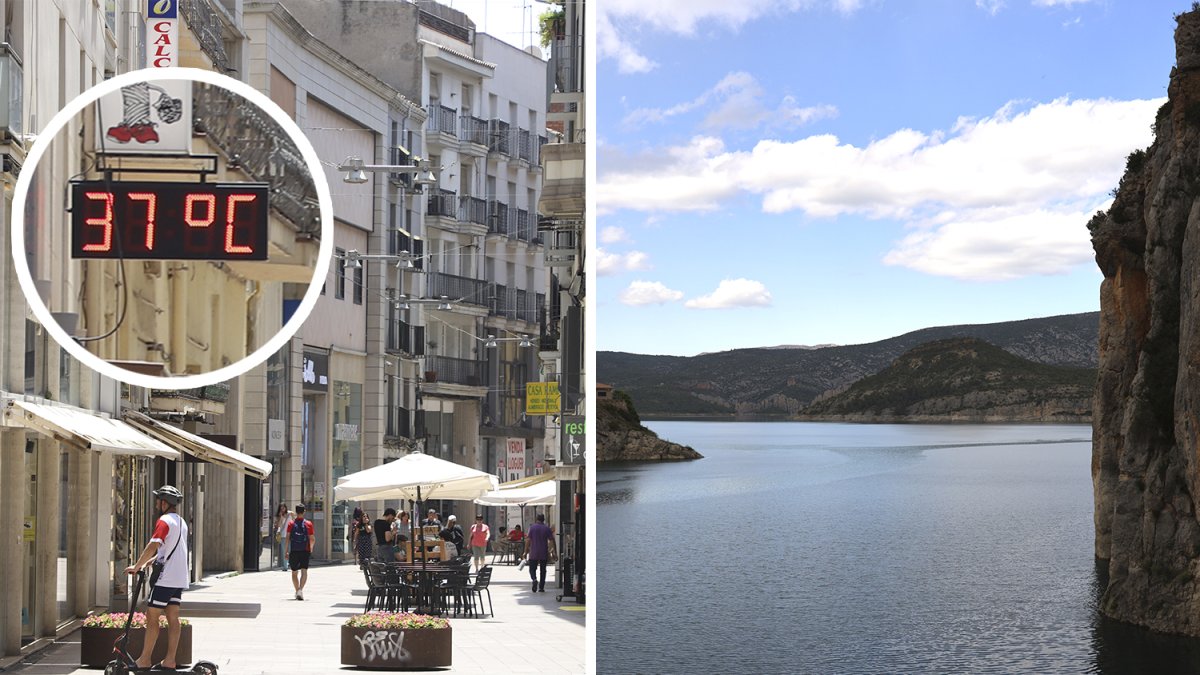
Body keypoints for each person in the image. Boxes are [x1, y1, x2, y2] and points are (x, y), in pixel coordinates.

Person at [125, 485, 190, 671]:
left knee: (152, 615)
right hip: (179, 577)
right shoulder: (181, 521)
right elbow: (168, 550)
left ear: (164, 503)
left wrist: (137, 566)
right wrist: (148, 563)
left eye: (158, 500)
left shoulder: (164, 521)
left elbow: (153, 545)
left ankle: (144, 659)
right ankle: (170, 660)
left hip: (165, 578)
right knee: (173, 617)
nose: (156, 504)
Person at [287, 504, 315, 600]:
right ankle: (300, 590)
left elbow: (287, 538)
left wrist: (286, 550)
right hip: (305, 550)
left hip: (294, 550)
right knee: (304, 571)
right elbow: (312, 538)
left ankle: (297, 590)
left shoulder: (291, 523)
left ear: (296, 511)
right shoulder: (308, 524)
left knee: (294, 572)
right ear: (304, 512)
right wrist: (311, 548)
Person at [525, 513, 556, 593]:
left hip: (534, 552)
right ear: (544, 519)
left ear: (536, 519)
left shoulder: (532, 528)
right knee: (543, 570)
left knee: (532, 569)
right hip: (543, 552)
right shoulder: (546, 528)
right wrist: (553, 551)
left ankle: (534, 579)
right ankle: (541, 587)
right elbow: (552, 540)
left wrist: (525, 552)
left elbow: (528, 540)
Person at [274, 503, 293, 572]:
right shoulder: (279, 516)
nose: (282, 509)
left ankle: (288, 563)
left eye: (283, 508)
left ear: (286, 508)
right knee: (284, 551)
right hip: (283, 535)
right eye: (281, 508)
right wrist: (281, 518)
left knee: (290, 550)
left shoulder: (290, 514)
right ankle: (285, 566)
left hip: (290, 535)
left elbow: (294, 521)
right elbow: (278, 526)